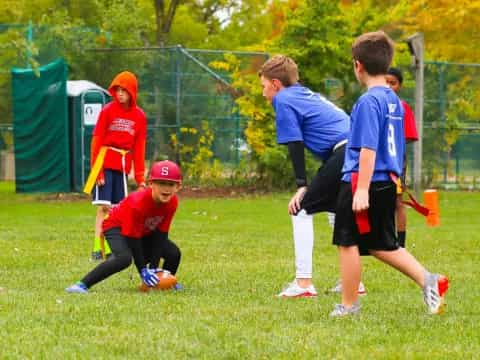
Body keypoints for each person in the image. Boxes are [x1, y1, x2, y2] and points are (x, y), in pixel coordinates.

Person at [330, 30, 448, 317]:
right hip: (387, 182)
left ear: (358, 65)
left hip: (363, 181)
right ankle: (428, 280)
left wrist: (360, 190)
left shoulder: (369, 102)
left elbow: (368, 148)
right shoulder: (394, 100)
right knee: (381, 245)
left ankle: (348, 306)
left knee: (348, 243)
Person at [258, 55, 365, 297]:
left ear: (275, 84)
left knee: (301, 209)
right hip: (355, 149)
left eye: (264, 87)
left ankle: (304, 284)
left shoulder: (283, 98)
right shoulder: (301, 93)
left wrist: (301, 186)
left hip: (345, 150)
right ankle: (353, 282)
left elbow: (294, 143)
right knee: (334, 209)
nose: (264, 94)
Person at [66, 160, 182, 294]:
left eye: (170, 184)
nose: (166, 188)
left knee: (173, 253)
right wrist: (143, 270)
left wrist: (154, 268)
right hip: (115, 226)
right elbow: (134, 239)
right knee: (123, 259)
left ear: (178, 187)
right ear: (150, 184)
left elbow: (160, 236)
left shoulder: (172, 203)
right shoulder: (138, 203)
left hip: (142, 231)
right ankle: (82, 285)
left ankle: (164, 282)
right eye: (161, 183)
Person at [86, 71, 147, 261]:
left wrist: (139, 177)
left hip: (122, 167)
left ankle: (112, 248)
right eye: (117, 90)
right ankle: (97, 248)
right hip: (104, 163)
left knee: (117, 210)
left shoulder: (139, 116)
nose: (120, 94)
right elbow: (96, 142)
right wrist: (98, 171)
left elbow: (139, 148)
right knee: (104, 207)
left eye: (124, 90)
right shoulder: (108, 111)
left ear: (132, 92)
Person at [385, 67, 419, 247]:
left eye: (393, 83)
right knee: (380, 200)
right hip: (375, 159)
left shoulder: (402, 107)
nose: (389, 86)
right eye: (386, 82)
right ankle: (384, 238)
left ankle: (401, 243)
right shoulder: (374, 103)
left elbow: (409, 136)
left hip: (396, 160)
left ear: (399, 86)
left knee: (397, 201)